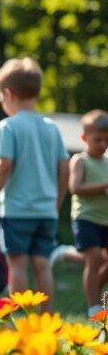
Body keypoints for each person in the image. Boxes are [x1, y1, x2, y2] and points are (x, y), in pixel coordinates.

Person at [0, 58, 68, 307]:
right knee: (42, 263)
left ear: (8, 93)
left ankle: (18, 315)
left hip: (17, 210)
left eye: (0, 97)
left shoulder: (8, 126)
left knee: (17, 263)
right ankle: (48, 317)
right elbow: (64, 168)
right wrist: (56, 202)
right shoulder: (52, 127)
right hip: (46, 211)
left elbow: (4, 165)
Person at [68, 109, 108, 316]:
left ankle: (94, 292)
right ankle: (94, 307)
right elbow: (75, 188)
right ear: (84, 138)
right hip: (86, 217)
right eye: (98, 140)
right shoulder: (80, 160)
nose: (103, 145)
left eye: (106, 141)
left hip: (105, 219)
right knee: (93, 258)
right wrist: (102, 186)